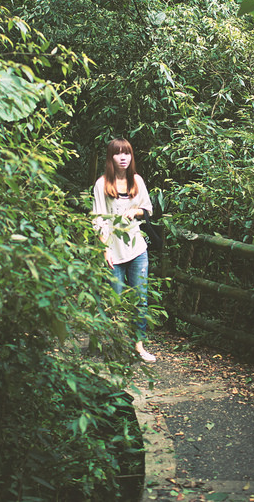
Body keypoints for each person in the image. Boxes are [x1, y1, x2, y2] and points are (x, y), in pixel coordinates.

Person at [93, 138, 156, 362]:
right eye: (118, 153)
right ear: (111, 157)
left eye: (127, 153)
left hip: (137, 247)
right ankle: (110, 343)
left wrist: (136, 211)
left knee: (140, 298)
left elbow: (148, 208)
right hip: (113, 250)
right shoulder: (102, 184)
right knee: (114, 300)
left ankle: (138, 346)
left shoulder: (137, 180)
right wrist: (105, 250)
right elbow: (99, 219)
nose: (123, 158)